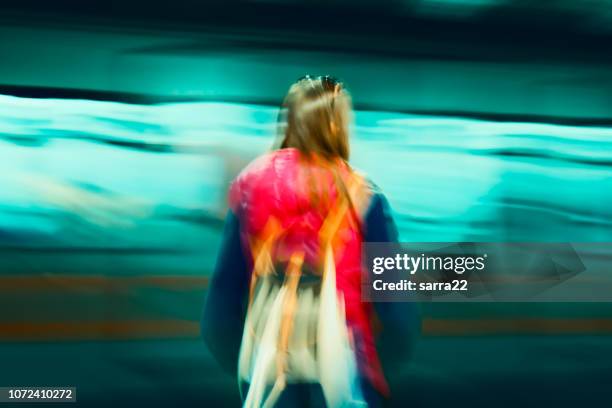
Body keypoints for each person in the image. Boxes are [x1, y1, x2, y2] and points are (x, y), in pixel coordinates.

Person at [202, 75, 418, 407]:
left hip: (269, 369)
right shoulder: (364, 194)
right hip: (344, 371)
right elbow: (397, 309)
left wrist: (247, 366)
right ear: (338, 126)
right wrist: (375, 371)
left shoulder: (248, 188)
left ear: (287, 121)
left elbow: (220, 304)